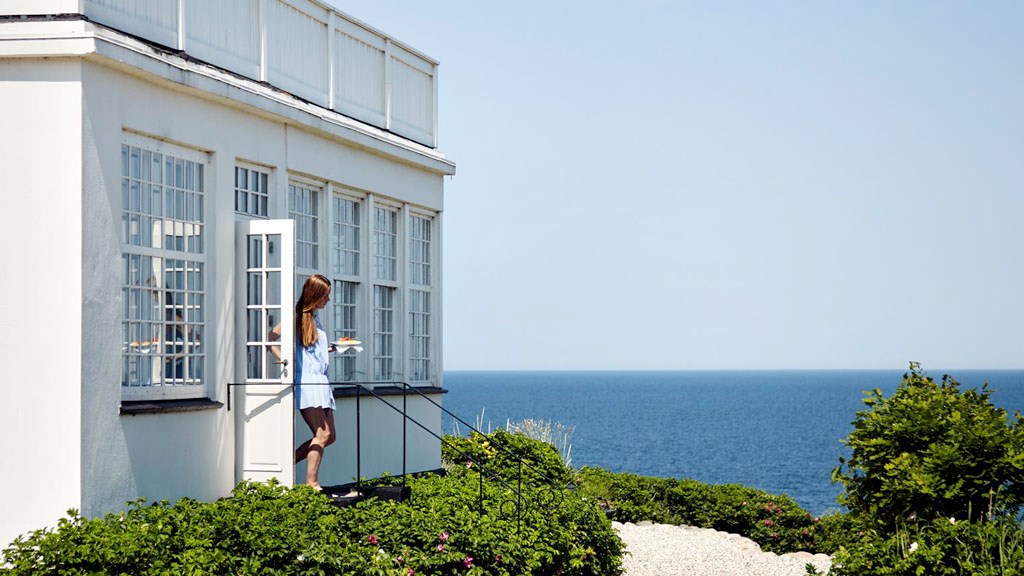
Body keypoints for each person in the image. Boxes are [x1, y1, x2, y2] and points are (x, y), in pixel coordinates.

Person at [270, 274, 341, 491]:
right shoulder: (297, 315)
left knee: (330, 436)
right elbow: (270, 337)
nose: (328, 300)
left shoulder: (314, 318)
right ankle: (312, 483)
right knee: (322, 434)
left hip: (321, 381)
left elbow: (310, 351)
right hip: (309, 383)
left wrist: (332, 349)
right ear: (316, 295)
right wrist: (283, 359)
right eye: (325, 296)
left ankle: (286, 462)